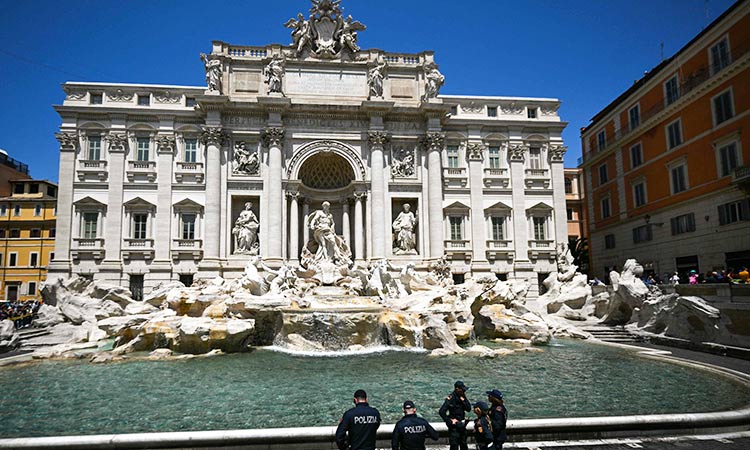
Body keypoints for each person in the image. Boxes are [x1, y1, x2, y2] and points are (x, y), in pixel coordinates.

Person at [439, 380, 471, 450]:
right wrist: (449, 421)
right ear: (457, 389)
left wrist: (464, 401)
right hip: (454, 427)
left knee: (464, 444)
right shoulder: (451, 398)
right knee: (454, 445)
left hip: (462, 425)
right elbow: (441, 412)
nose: (464, 391)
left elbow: (469, 409)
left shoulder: (462, 396)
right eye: (462, 390)